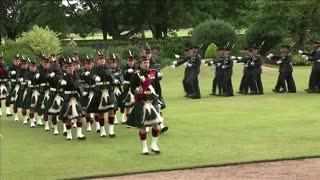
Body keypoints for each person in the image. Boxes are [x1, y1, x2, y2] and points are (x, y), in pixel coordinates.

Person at [126, 56, 163, 155]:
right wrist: (137, 90)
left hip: (152, 101)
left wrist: (160, 99)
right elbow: (132, 87)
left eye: (147, 62)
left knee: (156, 125)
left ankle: (154, 145)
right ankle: (144, 147)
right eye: (144, 63)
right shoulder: (136, 74)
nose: (146, 64)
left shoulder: (153, 73)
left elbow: (157, 88)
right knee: (143, 126)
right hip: (141, 101)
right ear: (140, 64)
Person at [59, 58, 86, 140]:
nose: (71, 70)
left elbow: (78, 85)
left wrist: (82, 92)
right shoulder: (63, 76)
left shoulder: (75, 76)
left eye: (72, 68)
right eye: (69, 68)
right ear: (66, 69)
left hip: (75, 98)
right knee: (68, 118)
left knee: (79, 116)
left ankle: (79, 133)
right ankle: (69, 134)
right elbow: (59, 82)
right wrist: (61, 83)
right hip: (67, 99)